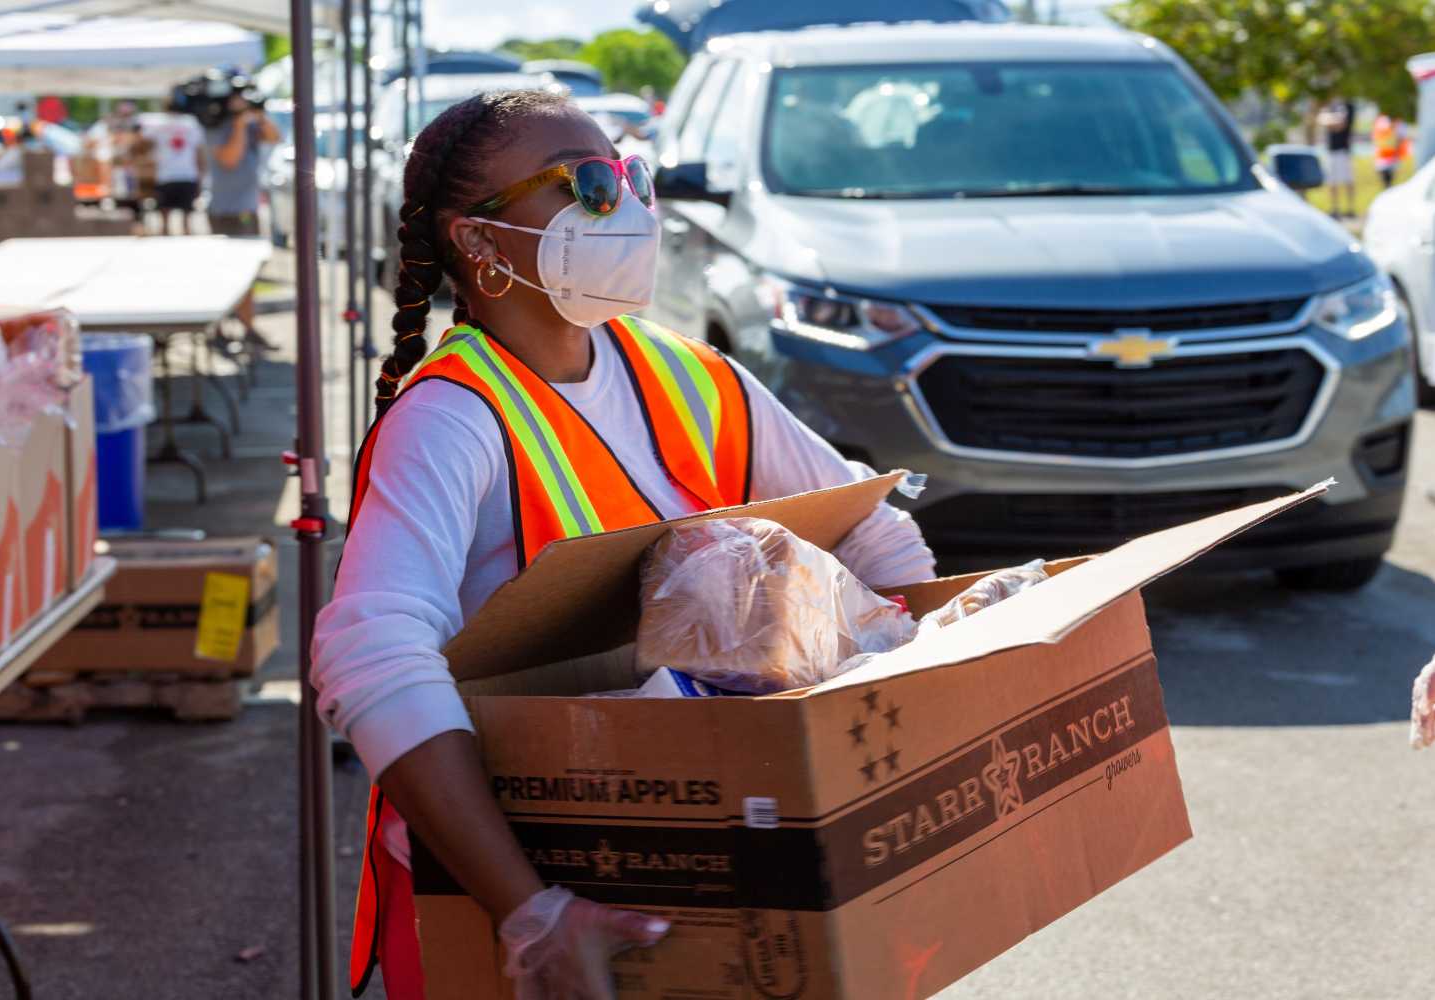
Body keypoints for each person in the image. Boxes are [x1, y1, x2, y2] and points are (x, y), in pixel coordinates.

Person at [311, 90, 936, 1000]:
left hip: (705, 845)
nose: (632, 208)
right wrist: (533, 916)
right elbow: (368, 653)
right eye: (589, 186)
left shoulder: (688, 371)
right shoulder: (451, 417)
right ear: (480, 243)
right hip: (528, 888)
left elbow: (871, 526)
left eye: (632, 175)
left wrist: (932, 683)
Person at [205, 92, 280, 349]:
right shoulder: (216, 127)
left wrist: (259, 117)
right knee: (223, 272)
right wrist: (238, 124)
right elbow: (229, 159)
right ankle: (219, 329)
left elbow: (274, 137)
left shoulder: (252, 127)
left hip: (247, 208)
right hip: (225, 209)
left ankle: (247, 328)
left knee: (250, 274)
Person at [143, 104, 207, 235]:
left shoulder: (157, 124)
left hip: (166, 176)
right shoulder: (192, 123)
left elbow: (143, 144)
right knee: (188, 222)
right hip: (187, 175)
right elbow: (199, 153)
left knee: (165, 223)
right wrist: (201, 176)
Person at [1318, 98, 1356, 218]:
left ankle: (1350, 209)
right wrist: (1332, 119)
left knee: (1348, 180)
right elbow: (1321, 119)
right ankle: (1335, 209)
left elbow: (1341, 125)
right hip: (1331, 151)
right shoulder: (1329, 105)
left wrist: (1330, 119)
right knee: (1332, 181)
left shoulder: (1348, 105)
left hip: (1343, 151)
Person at [1371, 113, 1410, 190]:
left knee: (1388, 181)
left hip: (1389, 158)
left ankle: (1388, 191)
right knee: (1387, 181)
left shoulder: (1390, 128)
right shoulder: (1389, 128)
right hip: (1384, 159)